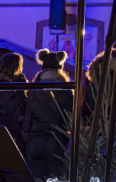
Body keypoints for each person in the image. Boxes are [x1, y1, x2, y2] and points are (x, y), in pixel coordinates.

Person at [23, 49, 74, 180]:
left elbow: (27, 122)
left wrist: (26, 134)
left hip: (35, 142)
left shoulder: (34, 90)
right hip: (56, 142)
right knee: (55, 178)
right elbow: (70, 119)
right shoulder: (65, 90)